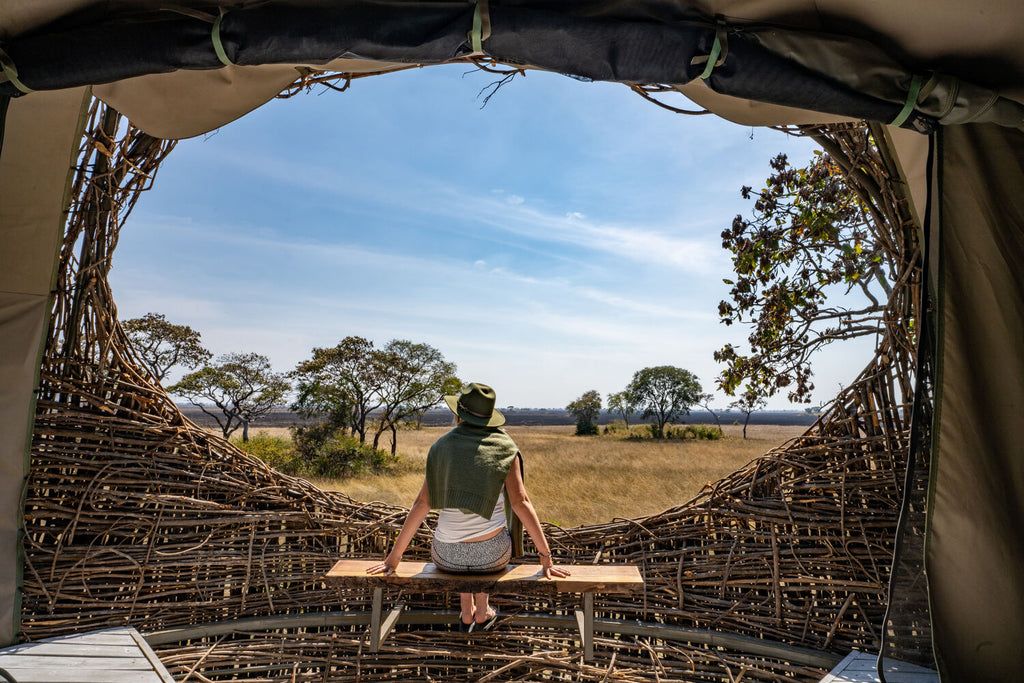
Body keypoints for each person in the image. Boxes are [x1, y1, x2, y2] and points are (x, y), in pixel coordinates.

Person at [367, 382, 570, 632]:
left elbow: (422, 504)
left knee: (460, 543)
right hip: (493, 556)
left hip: (446, 556)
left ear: (458, 414)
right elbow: (521, 503)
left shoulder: (441, 447)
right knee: (486, 542)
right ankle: (482, 612)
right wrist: (546, 558)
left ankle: (467, 612)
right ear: (489, 417)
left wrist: (393, 558)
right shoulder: (506, 448)